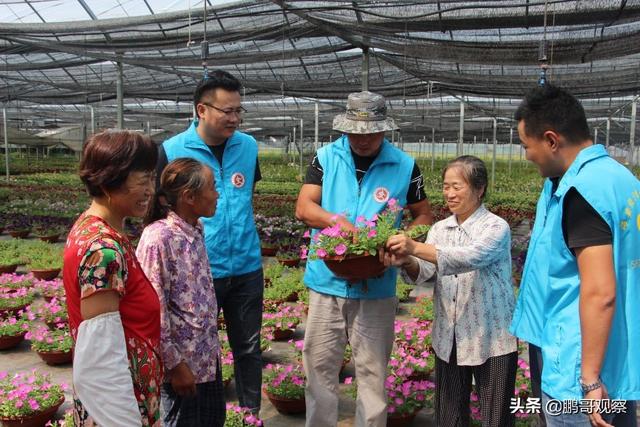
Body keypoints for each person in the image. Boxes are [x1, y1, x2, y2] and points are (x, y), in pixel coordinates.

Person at [295, 90, 432, 427]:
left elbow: (424, 215)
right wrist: (335, 221)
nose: (363, 139)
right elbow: (304, 207)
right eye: (355, 132)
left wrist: (404, 240)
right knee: (319, 369)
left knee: (372, 374)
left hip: (377, 285)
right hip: (326, 283)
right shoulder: (325, 157)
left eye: (370, 132)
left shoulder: (404, 165)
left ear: (384, 130)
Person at [509, 84, 640, 427]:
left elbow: (600, 292)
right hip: (612, 350)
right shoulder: (619, 177)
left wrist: (591, 379)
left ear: (552, 140)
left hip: (576, 364)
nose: (526, 155)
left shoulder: (582, 192)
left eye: (527, 146)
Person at [156, 69, 264, 413]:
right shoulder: (172, 150)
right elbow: (159, 211)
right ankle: (194, 416)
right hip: (198, 271)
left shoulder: (247, 146)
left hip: (247, 265)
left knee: (248, 348)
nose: (234, 118)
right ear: (201, 110)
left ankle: (250, 416)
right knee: (196, 347)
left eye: (238, 110)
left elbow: (246, 194)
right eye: (226, 111)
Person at [384, 155, 518, 427]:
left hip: (491, 338)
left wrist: (413, 246)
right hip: (450, 337)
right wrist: (407, 260)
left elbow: (469, 257)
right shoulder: (439, 229)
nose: (449, 193)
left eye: (457, 186)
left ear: (479, 189)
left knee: (496, 417)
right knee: (449, 416)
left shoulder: (495, 227)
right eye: (446, 186)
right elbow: (426, 271)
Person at [62, 130, 161, 426]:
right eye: (142, 180)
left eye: (151, 179)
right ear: (109, 181)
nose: (150, 190)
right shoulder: (103, 251)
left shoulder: (95, 230)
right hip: (120, 409)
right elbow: (101, 362)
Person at [136, 158, 224, 427]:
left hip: (206, 360)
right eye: (212, 187)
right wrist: (175, 366)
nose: (217, 193)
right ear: (189, 196)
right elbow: (152, 310)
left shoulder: (196, 229)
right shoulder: (158, 239)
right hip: (181, 369)